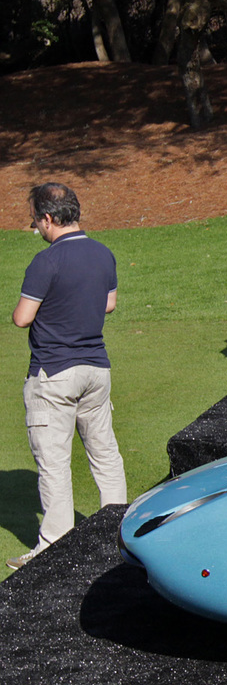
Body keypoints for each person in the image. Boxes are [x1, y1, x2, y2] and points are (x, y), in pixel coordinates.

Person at [8, 183, 127, 569]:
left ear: (47, 218)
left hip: (53, 374)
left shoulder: (47, 261)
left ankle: (53, 548)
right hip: (96, 368)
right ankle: (119, 534)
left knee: (54, 461)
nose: (36, 229)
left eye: (36, 221)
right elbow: (108, 305)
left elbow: (22, 317)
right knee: (105, 453)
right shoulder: (103, 254)